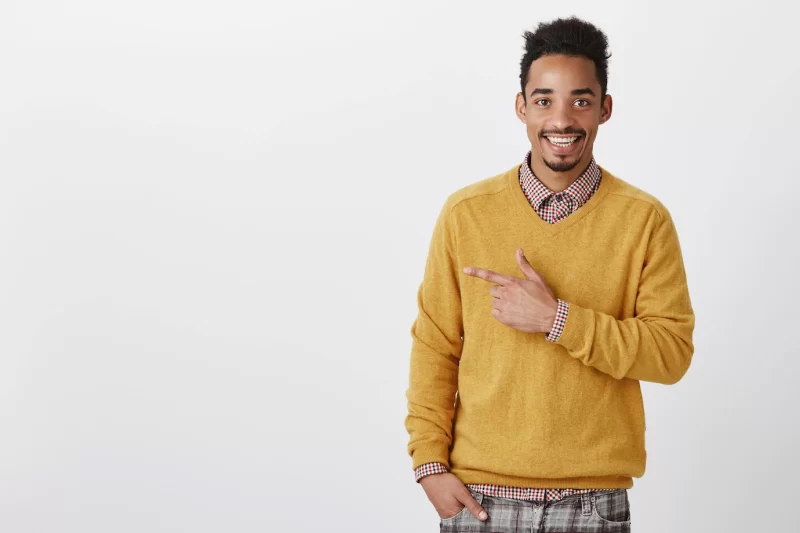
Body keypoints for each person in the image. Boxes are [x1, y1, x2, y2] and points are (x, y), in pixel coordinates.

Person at [404, 16, 695, 532]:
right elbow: (435, 346)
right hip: (478, 497)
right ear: (521, 106)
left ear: (605, 108)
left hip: (591, 501)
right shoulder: (466, 213)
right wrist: (429, 466)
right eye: (544, 100)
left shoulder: (644, 220)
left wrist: (557, 319)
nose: (562, 119)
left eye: (580, 100)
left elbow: (671, 354)